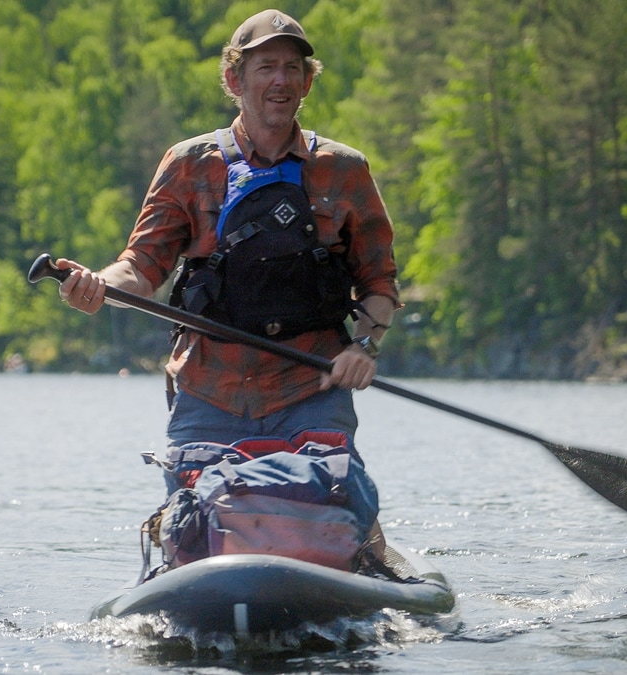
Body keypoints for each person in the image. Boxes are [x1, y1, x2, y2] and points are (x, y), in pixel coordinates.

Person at [53, 9, 398, 466]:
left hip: (312, 394)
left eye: (292, 68)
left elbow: (380, 283)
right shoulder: (188, 163)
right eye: (266, 67)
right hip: (208, 395)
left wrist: (364, 346)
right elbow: (140, 268)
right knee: (203, 522)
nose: (282, 80)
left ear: (307, 84)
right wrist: (98, 284)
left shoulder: (345, 169)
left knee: (325, 519)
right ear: (235, 81)